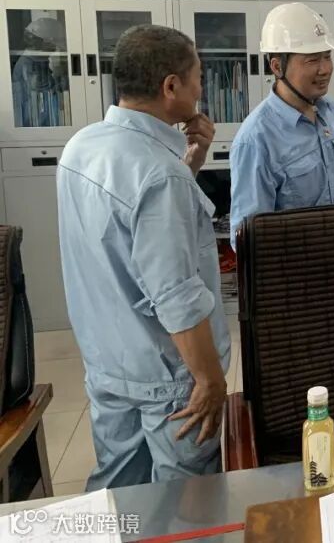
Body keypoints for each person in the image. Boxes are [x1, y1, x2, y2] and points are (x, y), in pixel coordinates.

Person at [57, 25, 230, 489]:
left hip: (109, 361)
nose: (201, 89)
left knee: (119, 489)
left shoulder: (83, 145)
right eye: (197, 77)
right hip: (167, 376)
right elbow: (175, 293)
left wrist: (191, 161)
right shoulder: (159, 175)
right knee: (186, 499)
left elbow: (126, 236)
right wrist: (210, 380)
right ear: (171, 86)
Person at [229, 2, 334, 243]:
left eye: (327, 57)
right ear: (277, 66)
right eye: (312, 60)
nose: (325, 69)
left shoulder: (330, 112)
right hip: (294, 264)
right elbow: (247, 239)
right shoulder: (256, 139)